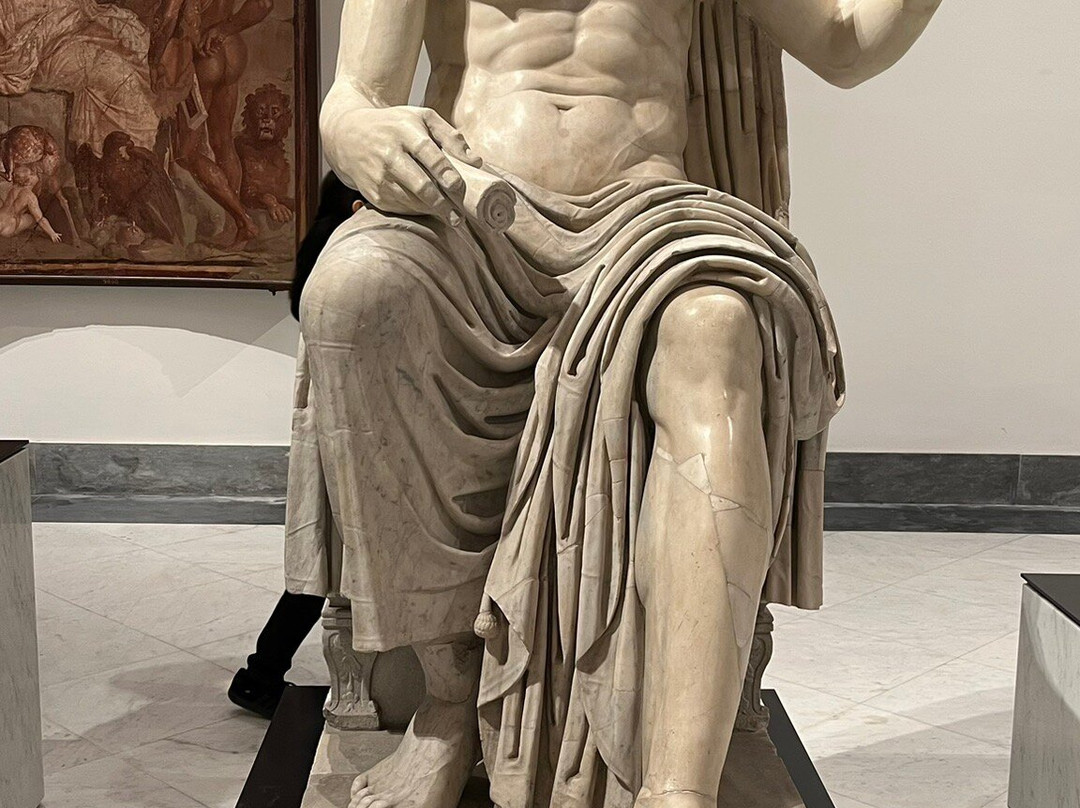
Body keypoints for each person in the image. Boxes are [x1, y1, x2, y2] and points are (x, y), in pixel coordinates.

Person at [284, 1, 942, 807]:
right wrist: (362, 134)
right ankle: (447, 704)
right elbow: (355, 95)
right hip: (470, 212)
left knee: (717, 330)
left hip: (646, 220)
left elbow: (845, 45)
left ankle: (677, 789)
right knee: (351, 295)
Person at [229, 173, 364, 720]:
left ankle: (262, 673)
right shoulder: (341, 254)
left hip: (339, 418)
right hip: (343, 422)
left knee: (326, 554)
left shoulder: (329, 250)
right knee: (327, 553)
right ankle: (261, 675)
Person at [0, 167, 63, 243]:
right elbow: (40, 219)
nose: (34, 177)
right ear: (28, 181)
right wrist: (52, 234)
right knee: (33, 219)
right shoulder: (30, 196)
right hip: (8, 229)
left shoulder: (13, 189)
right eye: (32, 175)